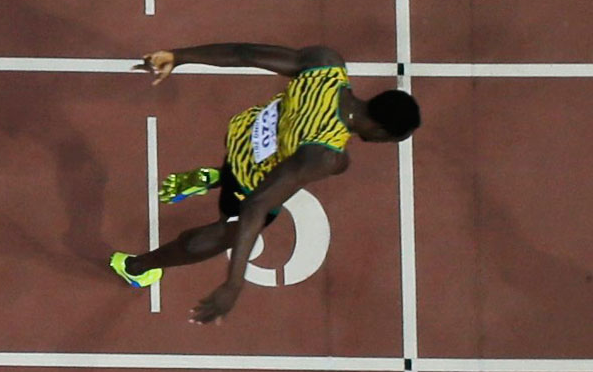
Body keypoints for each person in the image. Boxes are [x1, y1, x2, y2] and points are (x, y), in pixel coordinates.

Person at [110, 41, 421, 325]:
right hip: (249, 182)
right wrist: (234, 284)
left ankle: (217, 175)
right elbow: (257, 204)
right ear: (380, 132)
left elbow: (243, 54)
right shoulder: (325, 156)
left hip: (242, 134)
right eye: (393, 139)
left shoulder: (326, 65)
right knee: (225, 232)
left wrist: (179, 57)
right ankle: (138, 266)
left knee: (290, 172)